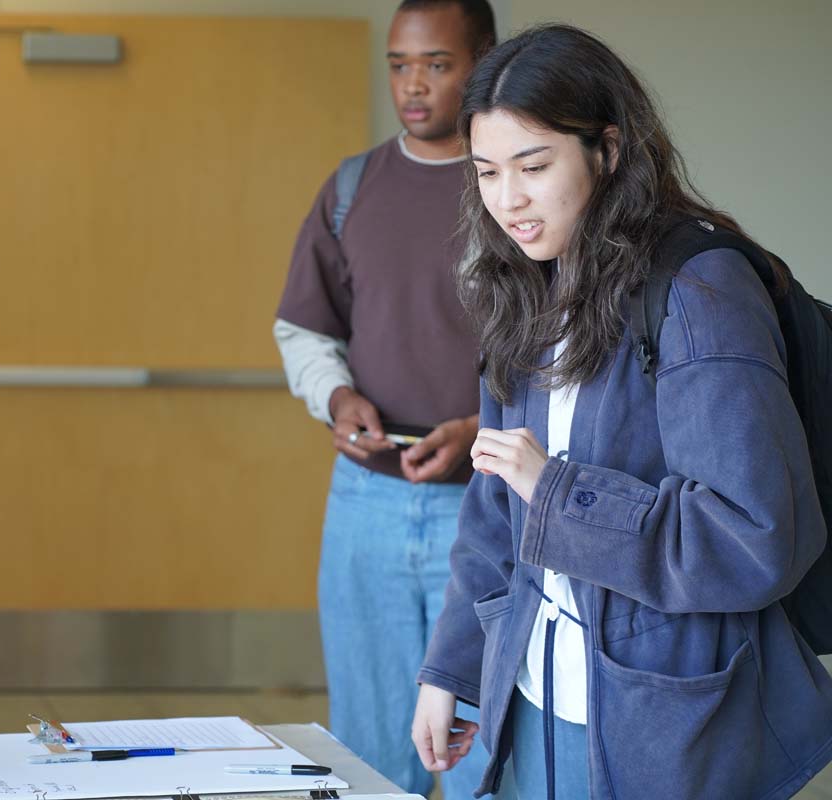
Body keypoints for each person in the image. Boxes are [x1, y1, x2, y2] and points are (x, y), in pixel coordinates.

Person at [410, 24, 832, 799]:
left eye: (534, 166)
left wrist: (561, 491)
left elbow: (753, 536)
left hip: (665, 721)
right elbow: (496, 504)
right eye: (488, 172)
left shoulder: (702, 291)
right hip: (531, 693)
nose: (509, 200)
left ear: (606, 150)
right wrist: (452, 668)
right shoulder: (526, 282)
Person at [273, 0, 496, 794]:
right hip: (364, 500)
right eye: (400, 64)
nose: (414, 84)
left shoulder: (517, 190)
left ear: (483, 64)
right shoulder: (352, 187)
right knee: (365, 753)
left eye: (437, 63)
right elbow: (303, 330)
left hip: (489, 503)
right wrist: (336, 398)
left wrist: (484, 430)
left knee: (481, 751)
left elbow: (567, 355)